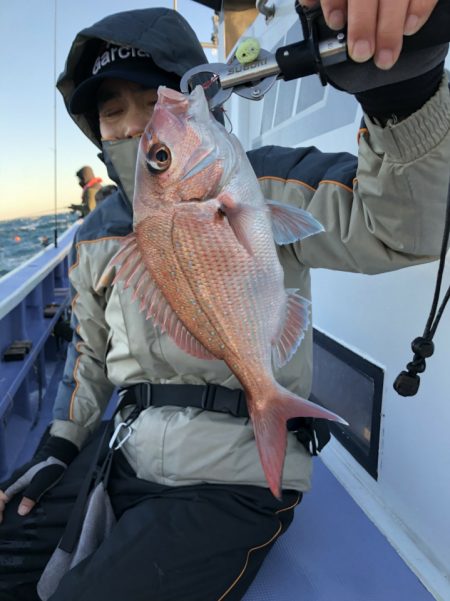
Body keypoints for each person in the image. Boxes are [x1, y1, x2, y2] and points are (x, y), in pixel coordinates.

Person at [1, 3, 449, 600]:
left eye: (157, 95)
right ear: (97, 131)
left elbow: (405, 228)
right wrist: (59, 446)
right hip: (127, 451)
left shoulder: (260, 186)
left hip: (230, 476)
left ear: (202, 94)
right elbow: (89, 356)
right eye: (112, 111)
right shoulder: (97, 234)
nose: (137, 123)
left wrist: (402, 93)